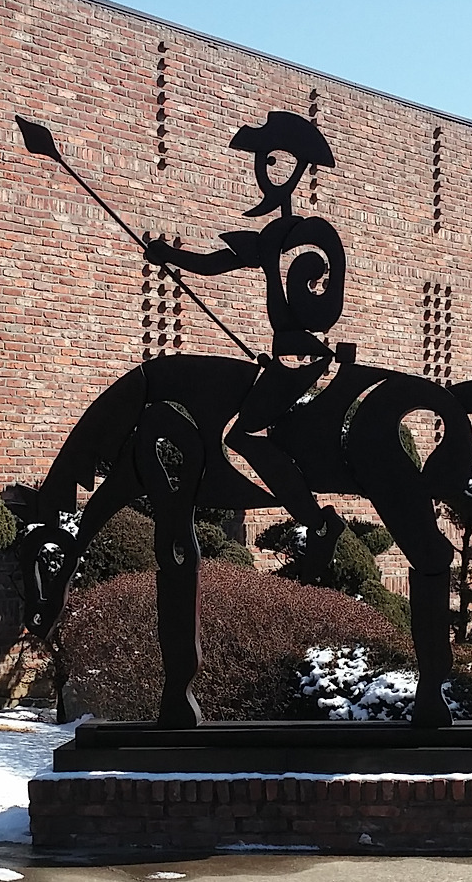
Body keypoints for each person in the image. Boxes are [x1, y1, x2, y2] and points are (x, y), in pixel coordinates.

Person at [144, 110, 350, 573]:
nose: (265, 172)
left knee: (242, 434)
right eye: (262, 162)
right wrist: (168, 255)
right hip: (289, 357)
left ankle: (318, 522)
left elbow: (319, 310)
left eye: (274, 162)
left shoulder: (307, 237)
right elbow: (215, 262)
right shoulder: (277, 237)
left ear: (298, 169)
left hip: (299, 358)